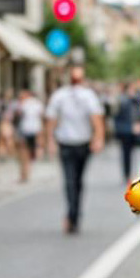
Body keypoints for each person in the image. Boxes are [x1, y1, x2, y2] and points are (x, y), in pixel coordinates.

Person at [45, 66, 105, 234]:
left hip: (72, 143)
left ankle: (73, 215)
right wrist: (98, 138)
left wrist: (49, 140)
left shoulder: (61, 95)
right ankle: (73, 215)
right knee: (75, 181)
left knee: (72, 181)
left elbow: (50, 120)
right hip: (77, 143)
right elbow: (97, 119)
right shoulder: (87, 95)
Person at [113, 81, 140, 183]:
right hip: (126, 133)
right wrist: (130, 128)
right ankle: (127, 174)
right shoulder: (122, 100)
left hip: (136, 132)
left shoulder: (136, 100)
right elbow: (117, 119)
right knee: (126, 154)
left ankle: (137, 173)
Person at [15, 86, 45, 183]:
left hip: (26, 129)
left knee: (25, 152)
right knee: (33, 150)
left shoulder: (23, 103)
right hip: (36, 129)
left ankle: (25, 172)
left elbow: (18, 114)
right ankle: (28, 170)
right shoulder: (37, 103)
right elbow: (42, 116)